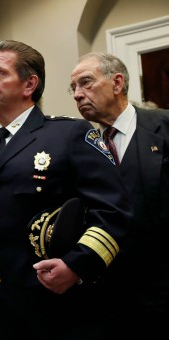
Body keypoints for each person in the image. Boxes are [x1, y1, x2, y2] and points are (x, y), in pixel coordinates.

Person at [0, 40, 132, 340]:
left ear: (29, 84)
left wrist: (76, 265)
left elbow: (114, 211)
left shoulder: (69, 135)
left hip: (53, 310)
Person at [70, 52, 169, 339]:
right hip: (108, 299)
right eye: (73, 88)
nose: (77, 95)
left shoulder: (163, 127)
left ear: (116, 83)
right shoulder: (84, 146)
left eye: (85, 83)